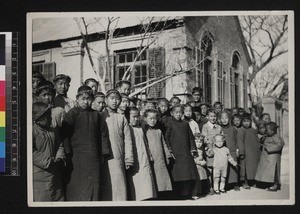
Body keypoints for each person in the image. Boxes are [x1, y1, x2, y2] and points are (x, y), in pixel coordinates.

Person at [61, 86, 111, 201]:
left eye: (88, 99)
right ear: (77, 98)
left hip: (94, 157)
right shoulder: (72, 114)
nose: (85, 101)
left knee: (94, 185)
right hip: (76, 157)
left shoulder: (96, 115)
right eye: (83, 98)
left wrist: (104, 153)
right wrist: (68, 153)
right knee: (77, 185)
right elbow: (65, 135)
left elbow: (103, 135)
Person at [100, 89, 134, 201]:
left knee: (119, 184)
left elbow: (128, 140)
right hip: (104, 157)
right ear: (106, 100)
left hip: (118, 155)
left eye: (117, 98)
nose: (115, 101)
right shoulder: (100, 116)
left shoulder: (122, 118)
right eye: (112, 98)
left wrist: (128, 158)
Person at [32, 102, 65, 201]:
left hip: (55, 177)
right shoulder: (31, 131)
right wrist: (49, 162)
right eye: (48, 116)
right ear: (40, 117)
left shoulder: (53, 131)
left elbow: (59, 144)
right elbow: (30, 152)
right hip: (40, 178)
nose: (51, 117)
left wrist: (60, 158)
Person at [165, 104, 198, 200]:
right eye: (177, 112)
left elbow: (191, 138)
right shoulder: (169, 123)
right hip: (175, 153)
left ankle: (186, 194)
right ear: (172, 113)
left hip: (185, 153)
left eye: (180, 112)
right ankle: (177, 195)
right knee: (177, 175)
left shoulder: (185, 124)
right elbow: (166, 138)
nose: (179, 114)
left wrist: (192, 149)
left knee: (188, 174)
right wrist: (169, 149)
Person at [126, 107, 157, 201]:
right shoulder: (127, 128)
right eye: (133, 117)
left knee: (147, 183)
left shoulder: (140, 128)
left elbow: (145, 143)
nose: (136, 119)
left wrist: (149, 155)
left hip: (144, 158)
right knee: (137, 186)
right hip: (134, 159)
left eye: (137, 117)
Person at [143, 108, 173, 199]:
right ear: (145, 118)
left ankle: (162, 194)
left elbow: (163, 144)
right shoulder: (144, 131)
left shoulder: (159, 131)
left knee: (162, 178)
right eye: (150, 118)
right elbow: (145, 144)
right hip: (151, 158)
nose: (153, 121)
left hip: (160, 158)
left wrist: (167, 155)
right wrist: (149, 155)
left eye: (155, 118)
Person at [255, 122, 285, 191]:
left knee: (274, 172)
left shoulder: (277, 137)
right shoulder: (268, 136)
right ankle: (266, 183)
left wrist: (268, 148)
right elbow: (263, 142)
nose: (266, 131)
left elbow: (279, 145)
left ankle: (275, 185)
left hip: (273, 159)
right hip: (267, 158)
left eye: (267, 130)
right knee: (267, 171)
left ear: (273, 130)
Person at [237, 112, 261, 189]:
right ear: (242, 122)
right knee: (245, 168)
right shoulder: (241, 130)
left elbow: (257, 140)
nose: (246, 123)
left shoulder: (253, 130)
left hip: (254, 153)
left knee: (253, 168)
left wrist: (259, 149)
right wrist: (241, 152)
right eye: (244, 121)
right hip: (246, 153)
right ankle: (245, 182)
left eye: (248, 121)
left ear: (250, 121)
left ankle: (252, 181)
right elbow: (240, 141)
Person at [201, 109, 223, 194]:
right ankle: (210, 188)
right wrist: (209, 148)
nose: (213, 118)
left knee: (217, 169)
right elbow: (205, 139)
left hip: (218, 151)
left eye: (214, 116)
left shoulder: (219, 127)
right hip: (209, 151)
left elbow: (222, 137)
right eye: (211, 116)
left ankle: (216, 187)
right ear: (207, 117)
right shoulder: (205, 127)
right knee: (209, 169)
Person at [219, 111, 239, 191]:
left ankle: (235, 183)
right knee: (224, 166)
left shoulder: (233, 129)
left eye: (226, 118)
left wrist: (237, 149)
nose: (224, 120)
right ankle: (225, 183)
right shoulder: (219, 128)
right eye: (222, 118)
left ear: (229, 119)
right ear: (219, 119)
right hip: (222, 151)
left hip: (232, 150)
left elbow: (237, 139)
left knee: (233, 166)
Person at [193, 133, 208, 198]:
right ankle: (195, 193)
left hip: (201, 166)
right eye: (196, 142)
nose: (199, 144)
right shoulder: (193, 150)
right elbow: (193, 159)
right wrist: (199, 162)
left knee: (202, 179)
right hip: (196, 166)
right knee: (197, 180)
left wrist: (204, 161)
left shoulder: (201, 149)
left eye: (200, 142)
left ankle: (201, 191)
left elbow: (203, 156)